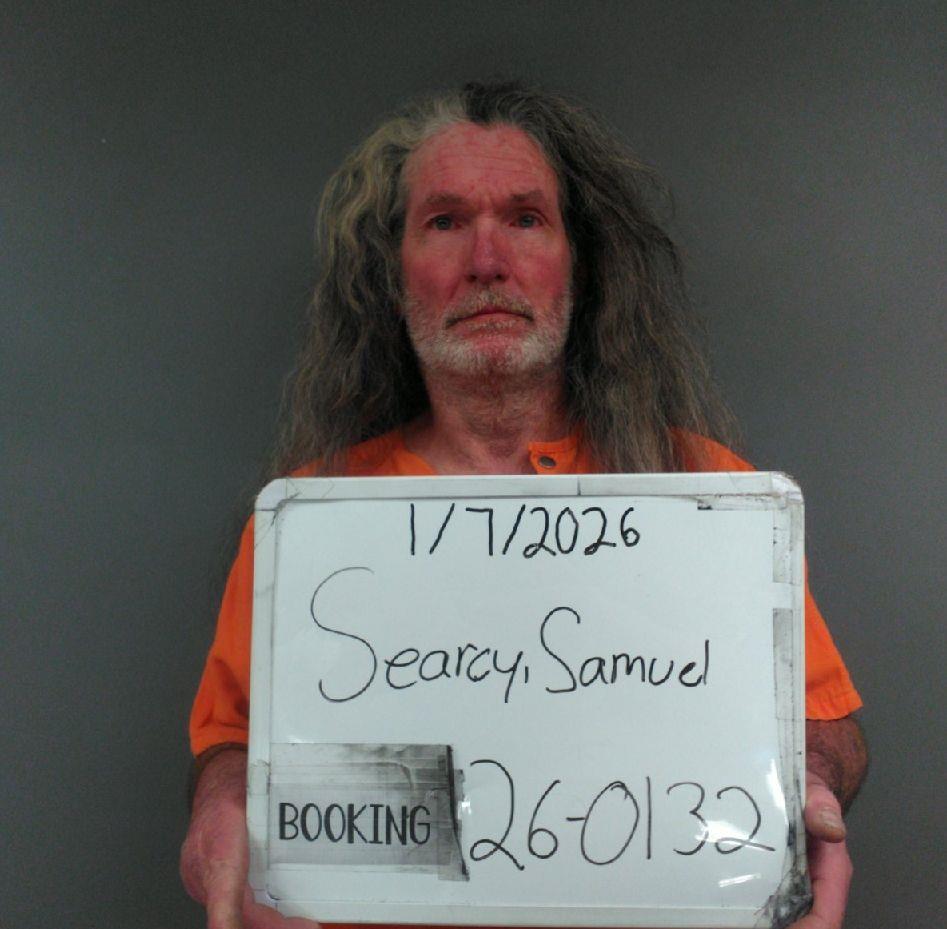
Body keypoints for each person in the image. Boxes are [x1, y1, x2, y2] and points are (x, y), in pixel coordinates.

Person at [181, 81, 867, 929]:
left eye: (525, 219)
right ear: (392, 275)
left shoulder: (703, 493)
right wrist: (221, 805)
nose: (487, 261)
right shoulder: (309, 519)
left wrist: (810, 785)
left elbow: (822, 721)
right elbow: (234, 740)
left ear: (577, 265)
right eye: (444, 221)